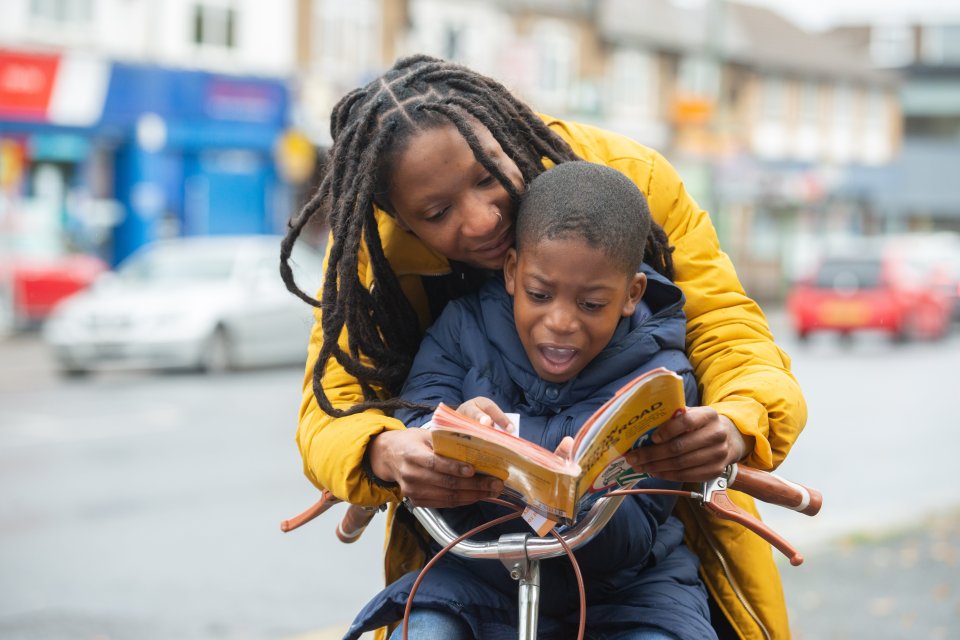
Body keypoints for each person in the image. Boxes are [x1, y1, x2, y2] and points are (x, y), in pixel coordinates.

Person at [280, 54, 806, 639]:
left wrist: (738, 421)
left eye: (487, 176)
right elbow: (330, 406)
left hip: (637, 569)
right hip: (469, 560)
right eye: (436, 212)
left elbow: (728, 328)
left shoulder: (631, 178)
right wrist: (383, 451)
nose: (481, 220)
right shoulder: (368, 256)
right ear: (394, 215)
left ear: (506, 133)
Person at [344, 160, 717, 639]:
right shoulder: (460, 330)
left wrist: (583, 496)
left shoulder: (661, 381)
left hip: (628, 594)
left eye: (591, 304)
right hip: (479, 580)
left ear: (632, 294)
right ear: (513, 271)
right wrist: (451, 437)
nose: (561, 322)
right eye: (540, 294)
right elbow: (419, 420)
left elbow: (636, 537)